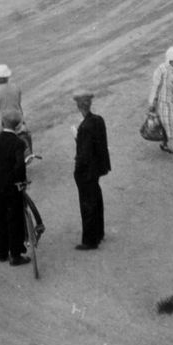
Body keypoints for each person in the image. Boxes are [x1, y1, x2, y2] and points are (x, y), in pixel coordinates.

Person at [0, 114, 31, 266]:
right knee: (15, 218)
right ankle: (15, 255)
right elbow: (20, 166)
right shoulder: (18, 143)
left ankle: (1, 252)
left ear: (2, 123)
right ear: (16, 126)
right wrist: (21, 182)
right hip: (13, 185)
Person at [72, 92, 110, 250]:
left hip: (86, 171)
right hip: (97, 168)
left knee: (87, 204)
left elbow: (84, 153)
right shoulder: (98, 120)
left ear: (79, 106)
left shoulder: (84, 127)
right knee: (96, 200)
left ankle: (90, 240)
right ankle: (99, 232)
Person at [147, 46, 173, 162]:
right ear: (172, 60)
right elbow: (155, 87)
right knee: (172, 127)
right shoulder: (161, 70)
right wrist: (152, 102)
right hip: (164, 104)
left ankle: (165, 143)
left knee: (169, 124)